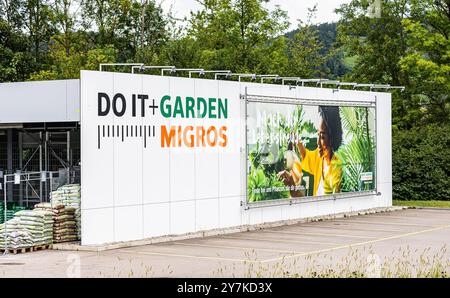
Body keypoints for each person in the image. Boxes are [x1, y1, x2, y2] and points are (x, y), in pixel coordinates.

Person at [279, 106, 343, 197]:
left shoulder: (336, 168)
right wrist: (297, 141)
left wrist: (293, 189)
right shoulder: (320, 158)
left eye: (323, 137)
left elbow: (333, 202)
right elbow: (306, 156)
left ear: (332, 138)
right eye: (318, 135)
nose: (318, 142)